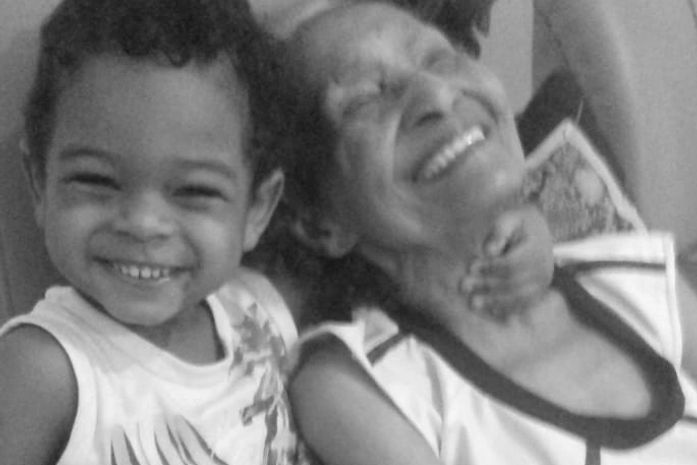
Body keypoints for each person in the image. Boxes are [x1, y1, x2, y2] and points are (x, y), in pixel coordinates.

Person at [273, 2, 697, 464]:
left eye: (439, 59)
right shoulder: (365, 385)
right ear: (318, 223)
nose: (437, 95)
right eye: (363, 99)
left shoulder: (638, 285)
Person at [0, 0, 299, 463]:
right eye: (96, 180)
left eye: (195, 190)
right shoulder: (43, 369)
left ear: (257, 209)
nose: (142, 224)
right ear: (39, 183)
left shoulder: (259, 317)